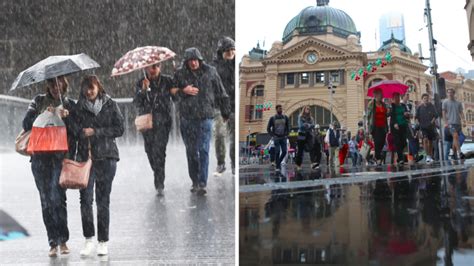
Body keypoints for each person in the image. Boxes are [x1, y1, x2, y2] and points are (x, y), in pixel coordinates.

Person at [22, 76, 75, 257]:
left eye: (58, 83)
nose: (55, 87)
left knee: (58, 198)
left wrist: (67, 118)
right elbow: (26, 123)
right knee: (46, 201)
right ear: (48, 85)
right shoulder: (38, 101)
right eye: (52, 83)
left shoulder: (68, 103)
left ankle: (63, 240)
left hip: (59, 158)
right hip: (39, 159)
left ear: (64, 85)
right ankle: (52, 242)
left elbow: (76, 131)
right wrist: (44, 113)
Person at [72, 75, 124, 256]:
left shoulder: (110, 104)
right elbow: (74, 131)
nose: (89, 91)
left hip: (107, 157)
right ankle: (88, 239)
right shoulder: (78, 107)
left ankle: (103, 241)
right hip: (86, 159)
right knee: (85, 200)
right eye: (86, 88)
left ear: (98, 87)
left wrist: (96, 131)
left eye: (91, 87)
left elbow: (120, 129)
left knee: (103, 201)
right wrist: (75, 126)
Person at [174, 47, 231, 195]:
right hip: (187, 118)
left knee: (204, 149)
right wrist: (182, 90)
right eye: (190, 61)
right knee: (191, 152)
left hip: (205, 117)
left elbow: (221, 92)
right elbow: (173, 95)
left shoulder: (211, 72)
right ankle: (194, 180)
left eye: (195, 60)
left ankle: (202, 183)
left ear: (200, 60)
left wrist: (225, 112)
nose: (193, 63)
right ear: (186, 62)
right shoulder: (180, 74)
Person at [133, 63, 176, 196]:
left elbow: (176, 98)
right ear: (146, 68)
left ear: (160, 67)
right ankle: (157, 171)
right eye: (150, 67)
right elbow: (136, 102)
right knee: (149, 151)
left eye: (156, 66)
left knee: (159, 151)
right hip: (147, 122)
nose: (153, 69)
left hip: (163, 121)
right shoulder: (141, 82)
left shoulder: (168, 80)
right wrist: (143, 90)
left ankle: (159, 183)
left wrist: (175, 91)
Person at [212, 37, 236, 175]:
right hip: (219, 106)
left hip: (233, 105)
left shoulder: (235, 65)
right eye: (228, 50)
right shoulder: (214, 67)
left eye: (233, 49)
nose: (231, 52)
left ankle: (233, 164)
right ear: (221, 51)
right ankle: (221, 163)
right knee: (220, 134)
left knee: (233, 136)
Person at [442, 88, 466, 160]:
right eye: (448, 92)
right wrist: (445, 122)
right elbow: (443, 113)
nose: (450, 94)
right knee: (455, 136)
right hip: (450, 123)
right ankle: (460, 152)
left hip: (458, 123)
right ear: (447, 93)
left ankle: (453, 154)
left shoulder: (458, 103)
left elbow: (461, 112)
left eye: (451, 92)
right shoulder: (445, 102)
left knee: (455, 139)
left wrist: (464, 120)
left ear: (453, 93)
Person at [366, 89, 388, 165]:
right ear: (375, 95)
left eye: (382, 95)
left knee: (382, 142)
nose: (381, 96)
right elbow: (368, 116)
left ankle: (376, 156)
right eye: (380, 94)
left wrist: (388, 111)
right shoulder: (371, 104)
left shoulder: (383, 104)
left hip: (383, 126)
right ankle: (378, 158)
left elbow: (386, 114)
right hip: (375, 126)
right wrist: (368, 128)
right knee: (377, 142)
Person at [415, 93, 438, 163]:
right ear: (422, 99)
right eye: (424, 98)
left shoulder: (432, 106)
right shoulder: (419, 107)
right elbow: (416, 117)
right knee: (425, 140)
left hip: (431, 127)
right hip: (423, 127)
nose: (426, 99)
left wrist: (432, 121)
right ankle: (427, 156)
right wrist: (417, 123)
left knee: (430, 142)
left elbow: (436, 115)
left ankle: (430, 156)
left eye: (427, 98)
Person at [267, 104, 290, 174]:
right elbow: (268, 128)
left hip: (283, 137)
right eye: (279, 108)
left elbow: (288, 126)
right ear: (276, 109)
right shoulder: (272, 118)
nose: (281, 109)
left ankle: (278, 163)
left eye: (281, 108)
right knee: (277, 152)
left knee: (284, 151)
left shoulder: (285, 117)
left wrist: (287, 134)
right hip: (276, 137)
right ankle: (278, 167)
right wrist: (273, 135)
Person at [389, 92, 410, 165]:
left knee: (404, 142)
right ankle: (401, 158)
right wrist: (395, 123)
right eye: (395, 97)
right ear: (393, 99)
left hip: (403, 125)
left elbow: (407, 115)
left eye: (398, 97)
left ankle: (400, 157)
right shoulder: (392, 106)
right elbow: (391, 115)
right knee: (397, 142)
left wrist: (406, 114)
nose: (397, 98)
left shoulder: (403, 105)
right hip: (395, 126)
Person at [295, 106, 318, 170]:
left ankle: (313, 163)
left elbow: (313, 125)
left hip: (309, 134)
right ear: (304, 110)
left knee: (312, 148)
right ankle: (298, 165)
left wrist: (307, 125)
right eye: (307, 109)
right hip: (301, 134)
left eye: (309, 109)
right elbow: (300, 126)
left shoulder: (311, 118)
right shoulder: (300, 117)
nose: (308, 110)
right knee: (300, 150)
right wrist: (309, 125)